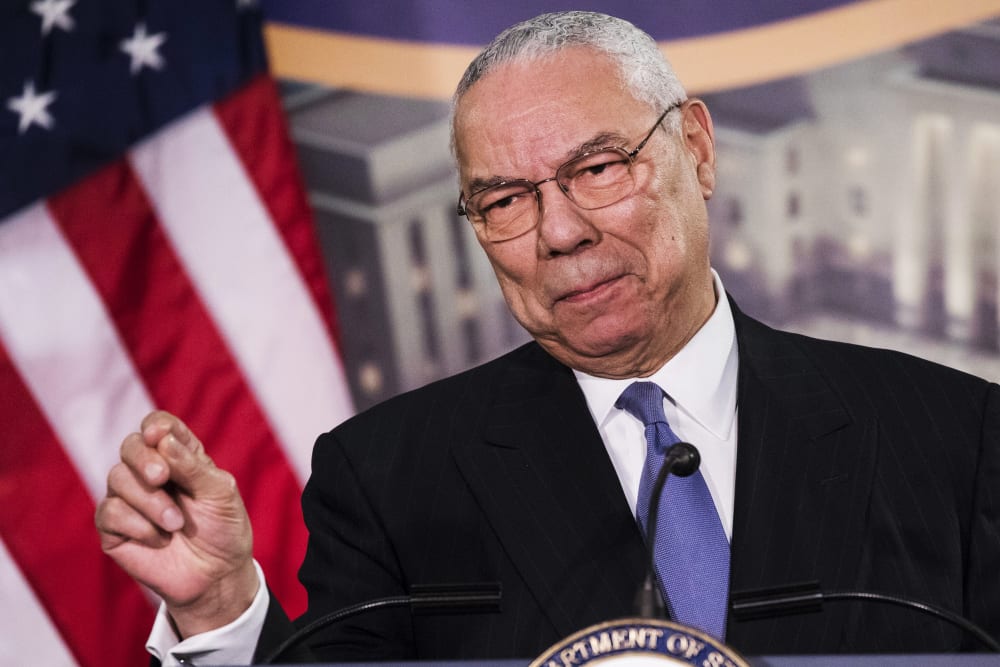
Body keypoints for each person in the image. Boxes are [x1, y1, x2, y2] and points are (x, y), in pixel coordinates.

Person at [95, 11, 1000, 665]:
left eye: (597, 168)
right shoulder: (391, 476)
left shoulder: (952, 437)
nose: (559, 232)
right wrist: (219, 605)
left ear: (698, 149)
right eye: (503, 201)